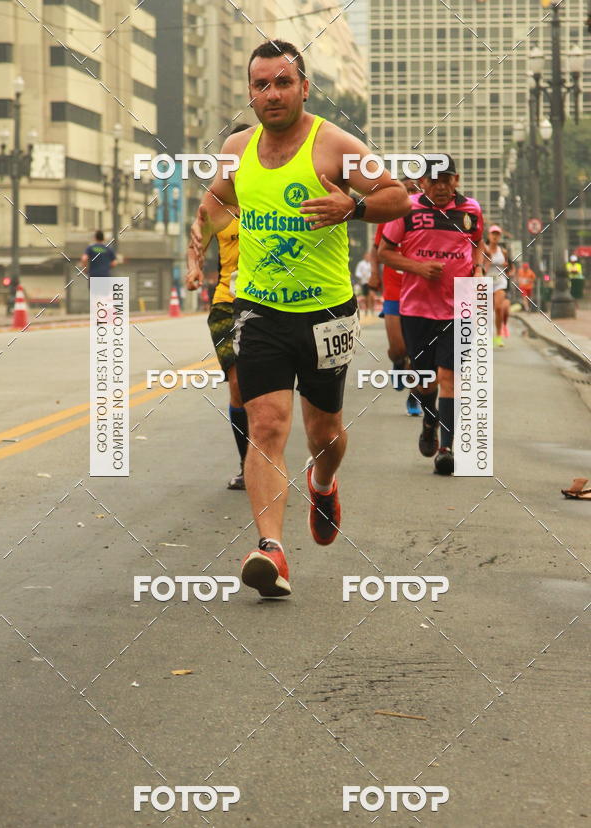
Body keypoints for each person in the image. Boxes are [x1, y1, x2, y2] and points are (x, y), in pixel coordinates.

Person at [189, 38, 410, 597]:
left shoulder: (333, 143)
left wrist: (353, 206)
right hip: (259, 309)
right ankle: (272, 551)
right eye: (261, 85)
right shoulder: (237, 148)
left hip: (327, 314)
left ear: (304, 88)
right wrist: (199, 238)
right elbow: (218, 198)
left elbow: (398, 196)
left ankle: (324, 480)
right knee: (265, 426)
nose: (272, 94)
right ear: (250, 93)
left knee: (324, 432)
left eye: (283, 82)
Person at [377, 155, 485, 476]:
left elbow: (476, 243)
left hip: (458, 308)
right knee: (426, 381)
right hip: (417, 308)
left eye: (446, 179)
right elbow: (385, 252)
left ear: (456, 180)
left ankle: (446, 449)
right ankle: (429, 420)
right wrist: (419, 267)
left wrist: (477, 268)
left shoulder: (471, 211)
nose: (440, 186)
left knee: (450, 377)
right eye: (433, 180)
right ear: (422, 182)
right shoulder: (406, 209)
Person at [187, 123, 252, 491]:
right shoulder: (217, 206)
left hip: (273, 304)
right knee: (239, 385)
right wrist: (194, 267)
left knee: (268, 393)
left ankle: (266, 453)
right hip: (227, 304)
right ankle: (248, 464)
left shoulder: (275, 198)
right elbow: (196, 241)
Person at [370, 176, 422, 416]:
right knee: (398, 349)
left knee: (418, 352)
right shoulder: (390, 217)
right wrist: (374, 274)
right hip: (393, 290)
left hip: (419, 292)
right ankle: (398, 363)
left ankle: (414, 397)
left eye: (415, 190)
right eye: (407, 190)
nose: (411, 194)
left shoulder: (428, 220)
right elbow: (376, 250)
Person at [484, 225, 510, 347]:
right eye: (493, 234)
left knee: (499, 308)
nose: (495, 236)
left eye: (497, 234)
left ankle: (498, 336)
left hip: (500, 282)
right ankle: (488, 336)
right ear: (489, 235)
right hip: (486, 282)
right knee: (487, 311)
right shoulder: (484, 249)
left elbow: (508, 266)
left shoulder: (503, 251)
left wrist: (506, 265)